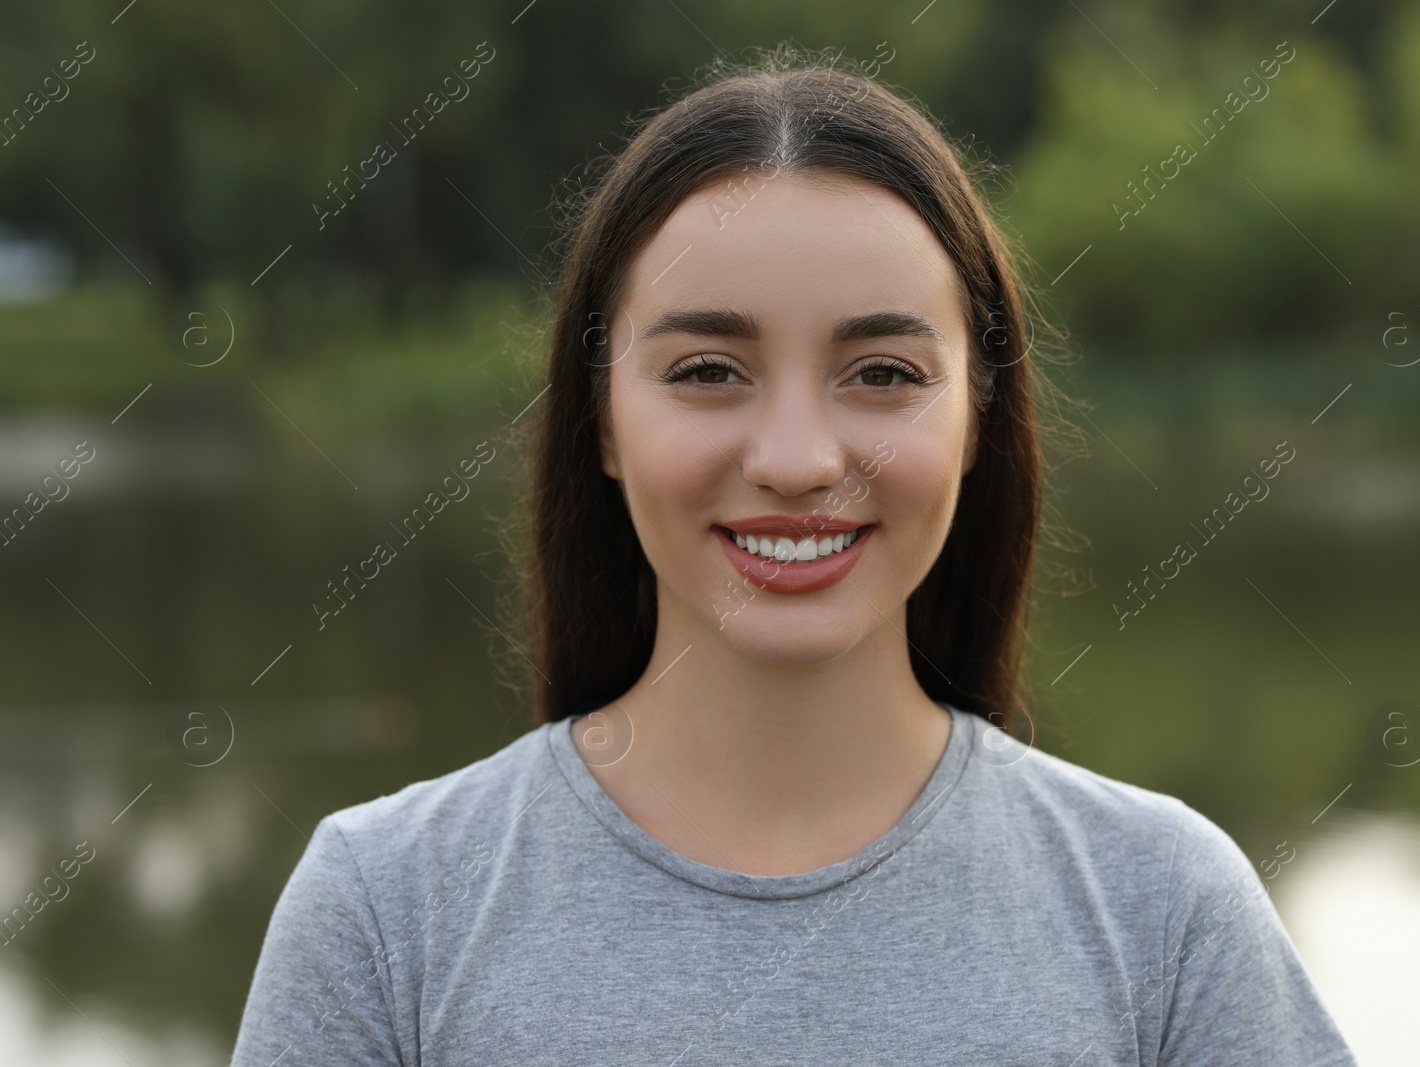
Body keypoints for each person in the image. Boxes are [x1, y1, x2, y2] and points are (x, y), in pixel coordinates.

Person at [229, 46, 1359, 1066]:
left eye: (882, 374)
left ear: (976, 422)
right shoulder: (387, 910)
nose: (797, 459)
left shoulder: (1162, 908)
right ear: (603, 425)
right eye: (708, 371)